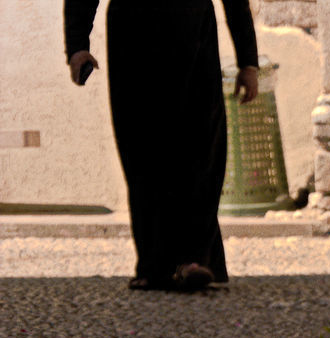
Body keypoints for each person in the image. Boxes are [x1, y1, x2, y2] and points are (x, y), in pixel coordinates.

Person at [65, 0, 259, 292]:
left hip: (194, 38)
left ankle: (194, 258)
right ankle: (155, 265)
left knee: (200, 148)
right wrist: (78, 46)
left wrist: (248, 61)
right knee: (142, 151)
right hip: (134, 40)